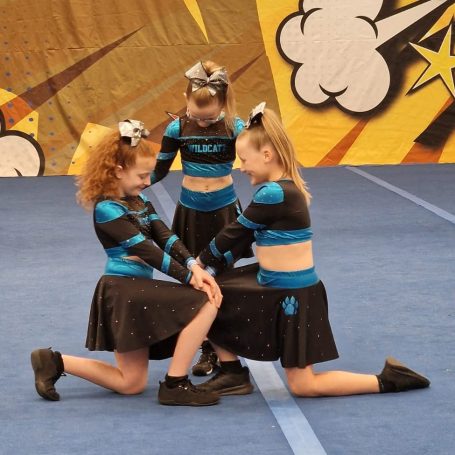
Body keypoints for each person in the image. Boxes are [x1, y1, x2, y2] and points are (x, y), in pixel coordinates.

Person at [195, 103, 430, 397]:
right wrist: (211, 269)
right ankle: (232, 373)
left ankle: (387, 380)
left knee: (303, 385)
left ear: (267, 155)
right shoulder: (280, 188)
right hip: (271, 283)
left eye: (244, 159)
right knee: (208, 292)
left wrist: (198, 262)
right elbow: (244, 240)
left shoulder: (274, 193)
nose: (240, 167)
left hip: (293, 293)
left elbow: (233, 233)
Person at [31, 119, 223, 407]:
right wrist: (188, 278)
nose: (148, 181)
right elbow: (145, 250)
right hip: (122, 290)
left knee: (131, 383)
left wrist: (193, 265)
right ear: (118, 170)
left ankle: (53, 361)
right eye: (142, 175)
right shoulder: (107, 209)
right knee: (206, 301)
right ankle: (176, 383)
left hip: (135, 291)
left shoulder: (139, 199)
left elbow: (165, 236)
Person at [152, 60, 252, 376]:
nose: (202, 122)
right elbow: (158, 170)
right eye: (196, 115)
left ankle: (226, 345)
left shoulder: (235, 127)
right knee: (197, 279)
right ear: (186, 100)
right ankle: (207, 347)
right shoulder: (177, 128)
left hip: (224, 212)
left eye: (209, 117)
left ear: (223, 104)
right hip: (191, 212)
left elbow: (257, 161)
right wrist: (125, 188)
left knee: (224, 278)